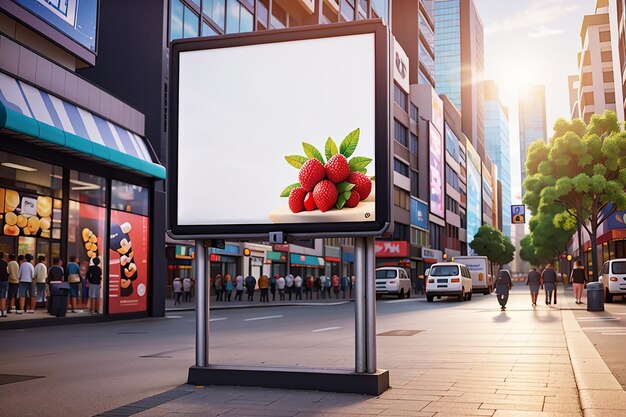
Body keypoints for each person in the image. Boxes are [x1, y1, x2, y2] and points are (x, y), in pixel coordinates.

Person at [0, 252, 8, 317]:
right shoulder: (5, 263)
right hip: (4, 280)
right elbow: (8, 272)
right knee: (3, 296)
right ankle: (3, 311)